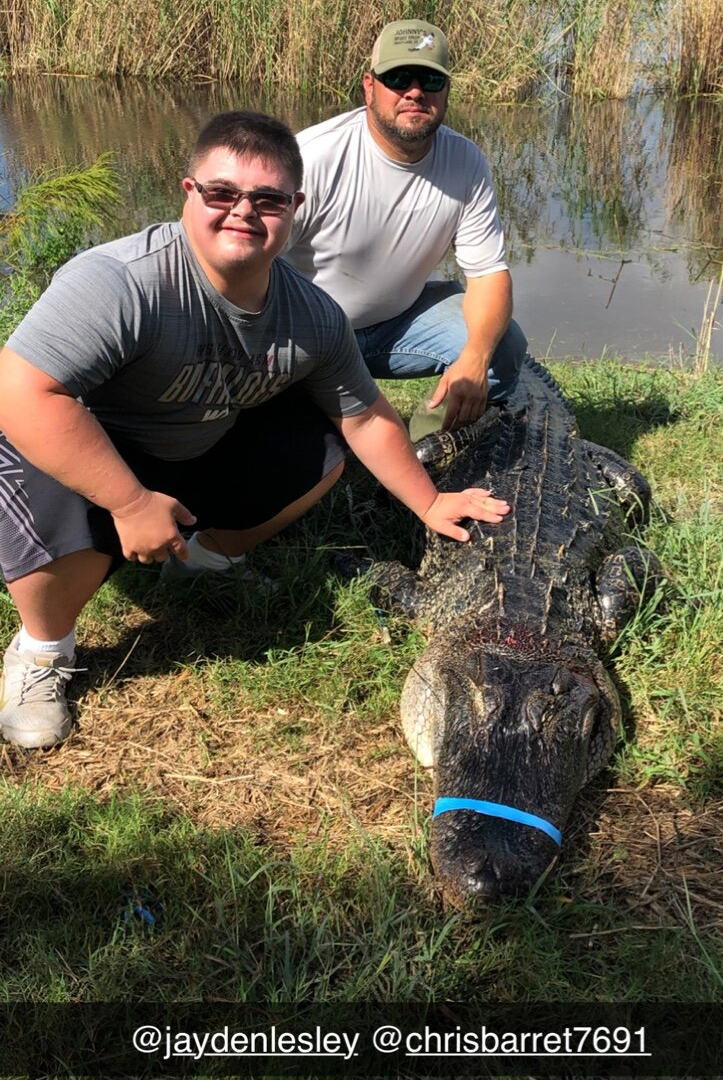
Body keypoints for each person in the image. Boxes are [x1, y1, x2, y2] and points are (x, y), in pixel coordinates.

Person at [0, 111, 509, 751]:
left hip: (193, 448)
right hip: (90, 450)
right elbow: (18, 391)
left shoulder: (312, 314)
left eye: (267, 199)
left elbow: (363, 414)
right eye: (223, 193)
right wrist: (129, 502)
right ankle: (43, 651)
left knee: (321, 442)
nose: (243, 211)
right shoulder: (122, 282)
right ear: (190, 193)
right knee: (43, 465)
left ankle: (205, 556)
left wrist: (430, 501)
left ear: (294, 208)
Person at [284, 19, 527, 434]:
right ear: (369, 86)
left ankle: (430, 446)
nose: (415, 91)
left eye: (430, 79)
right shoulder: (312, 157)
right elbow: (246, 269)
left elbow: (488, 274)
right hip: (309, 333)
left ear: (446, 89)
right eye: (397, 77)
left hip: (397, 324)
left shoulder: (466, 162)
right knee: (298, 441)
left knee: (501, 350)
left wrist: (475, 356)